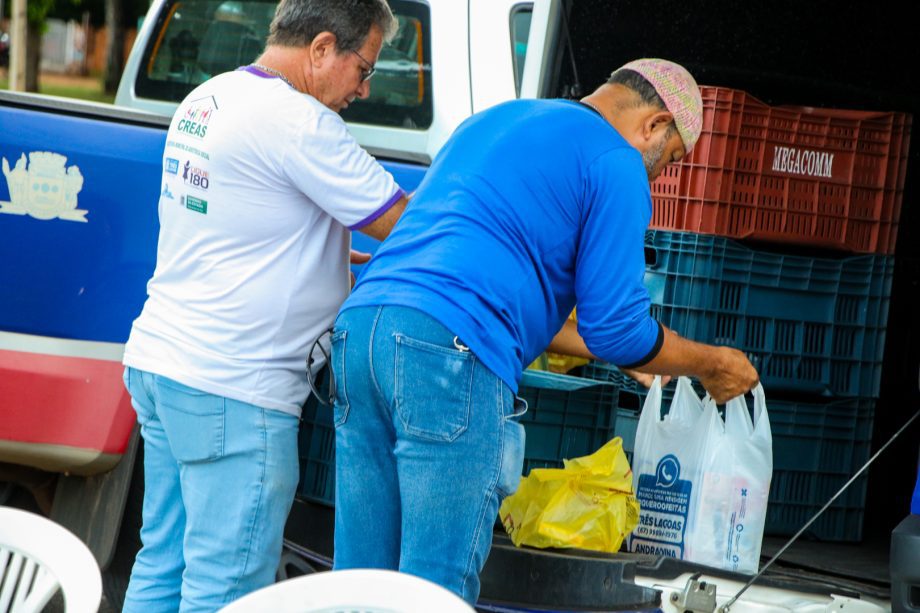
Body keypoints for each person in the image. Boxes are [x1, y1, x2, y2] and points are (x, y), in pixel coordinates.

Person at [330, 58, 759, 604]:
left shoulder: (496, 120)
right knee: (431, 588)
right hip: (447, 357)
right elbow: (619, 331)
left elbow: (509, 294)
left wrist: (621, 349)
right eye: (670, 159)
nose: (661, 174)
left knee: (359, 582)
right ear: (654, 125)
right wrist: (712, 364)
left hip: (363, 330)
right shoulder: (617, 161)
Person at [120, 1, 406, 611]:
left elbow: (240, 218)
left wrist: (327, 261)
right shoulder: (300, 121)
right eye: (365, 68)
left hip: (164, 363)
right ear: (323, 47)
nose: (364, 88)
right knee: (225, 592)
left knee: (162, 563)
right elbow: (406, 224)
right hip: (234, 390)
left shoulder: (211, 96)